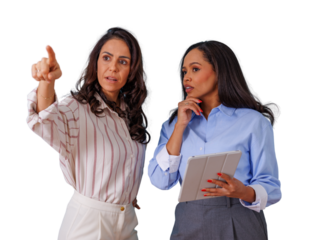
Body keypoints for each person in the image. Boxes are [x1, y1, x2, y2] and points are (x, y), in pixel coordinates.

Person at [147, 39, 281, 240]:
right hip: (187, 218)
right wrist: (180, 126)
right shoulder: (172, 125)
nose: (187, 78)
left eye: (195, 69)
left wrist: (244, 191)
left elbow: (272, 187)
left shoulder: (254, 122)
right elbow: (160, 182)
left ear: (218, 71)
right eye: (184, 72)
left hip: (239, 216)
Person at [26, 25, 151, 240]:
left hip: (128, 222)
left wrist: (125, 196)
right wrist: (47, 82)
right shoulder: (76, 107)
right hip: (90, 223)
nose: (113, 67)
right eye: (106, 58)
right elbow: (45, 122)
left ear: (131, 70)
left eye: (123, 61)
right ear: (95, 62)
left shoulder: (132, 115)